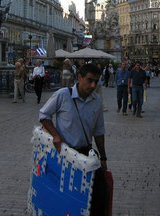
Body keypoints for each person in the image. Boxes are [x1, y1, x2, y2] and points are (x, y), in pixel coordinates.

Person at [39, 63, 108, 215]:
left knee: (98, 196)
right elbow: (44, 115)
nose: (93, 85)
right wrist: (55, 135)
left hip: (85, 154)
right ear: (79, 77)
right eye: (89, 80)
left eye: (96, 81)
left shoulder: (96, 100)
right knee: (65, 197)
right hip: (64, 154)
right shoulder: (63, 94)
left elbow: (99, 131)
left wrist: (103, 158)